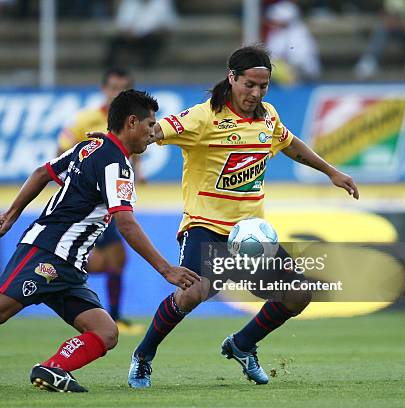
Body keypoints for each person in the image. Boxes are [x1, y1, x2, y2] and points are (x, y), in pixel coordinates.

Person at [0, 90, 200, 393]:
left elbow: (43, 173)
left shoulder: (92, 147)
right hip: (47, 251)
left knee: (106, 332)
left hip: (69, 265)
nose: (152, 132)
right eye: (150, 124)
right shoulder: (116, 163)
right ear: (131, 123)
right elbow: (126, 223)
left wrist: (14, 212)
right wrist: (166, 269)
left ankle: (53, 369)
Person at [125, 45, 359, 388]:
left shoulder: (267, 117)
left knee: (298, 294)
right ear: (231, 77)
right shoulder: (202, 117)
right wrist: (117, 144)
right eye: (249, 84)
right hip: (204, 226)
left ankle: (242, 344)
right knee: (191, 294)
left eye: (263, 86)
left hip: (249, 234)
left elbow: (290, 143)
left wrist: (331, 172)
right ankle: (143, 356)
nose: (256, 93)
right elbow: (155, 132)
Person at [57, 68, 144, 335]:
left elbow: (133, 154)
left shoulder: (132, 121)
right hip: (90, 203)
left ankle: (113, 316)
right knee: (101, 259)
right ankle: (58, 283)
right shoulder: (87, 119)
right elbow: (62, 151)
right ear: (104, 89)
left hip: (111, 201)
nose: (117, 92)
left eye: (123, 87)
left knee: (117, 258)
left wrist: (138, 175)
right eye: (113, 87)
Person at [355, 0, 405, 79]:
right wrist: (398, 22)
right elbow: (389, 14)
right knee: (382, 28)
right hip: (399, 27)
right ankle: (370, 61)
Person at [104, 0, 178, 68]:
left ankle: (145, 69)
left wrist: (159, 31)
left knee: (151, 42)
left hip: (152, 37)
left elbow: (170, 24)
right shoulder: (129, 3)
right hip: (132, 37)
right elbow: (122, 24)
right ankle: (109, 68)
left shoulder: (162, 3)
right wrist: (128, 34)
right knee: (115, 42)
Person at [264, 1, 321, 85]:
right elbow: (271, 54)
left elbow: (302, 59)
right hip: (283, 74)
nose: (274, 21)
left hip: (303, 74)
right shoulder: (276, 34)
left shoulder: (300, 33)